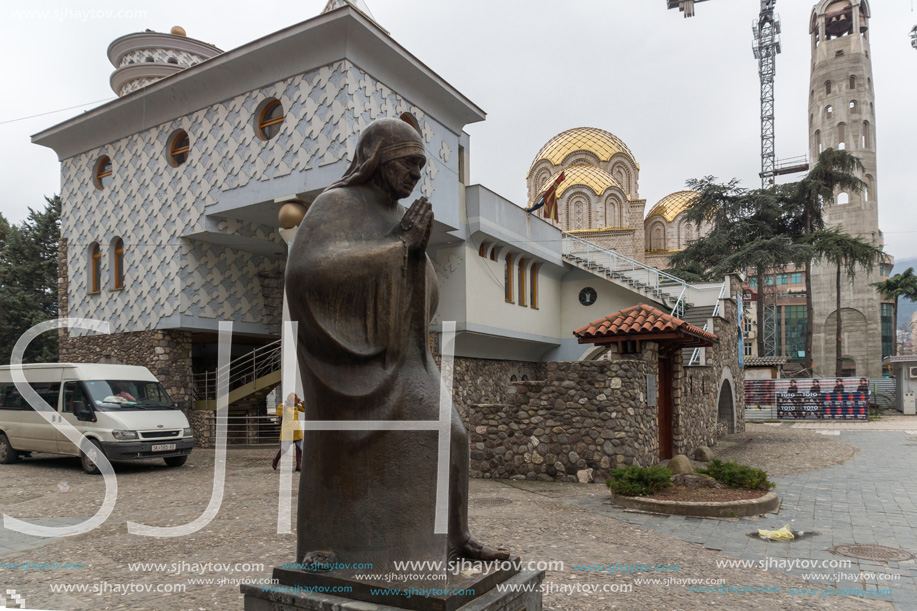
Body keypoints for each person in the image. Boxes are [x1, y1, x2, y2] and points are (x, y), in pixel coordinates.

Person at [286, 118, 508, 573]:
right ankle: (326, 543)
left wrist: (408, 250)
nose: (415, 174)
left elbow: (420, 287)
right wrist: (399, 247)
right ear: (377, 160)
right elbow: (309, 272)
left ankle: (454, 536)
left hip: (404, 353)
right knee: (339, 452)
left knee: (453, 433)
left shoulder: (394, 215)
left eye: (421, 166)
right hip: (349, 363)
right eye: (408, 163)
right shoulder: (336, 204)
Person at [272, 392, 304, 472]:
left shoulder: (296, 406)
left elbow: (304, 410)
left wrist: (302, 403)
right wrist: (282, 407)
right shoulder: (284, 405)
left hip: (297, 430)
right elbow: (278, 414)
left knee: (299, 448)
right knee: (284, 448)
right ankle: (275, 461)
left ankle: (298, 466)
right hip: (287, 431)